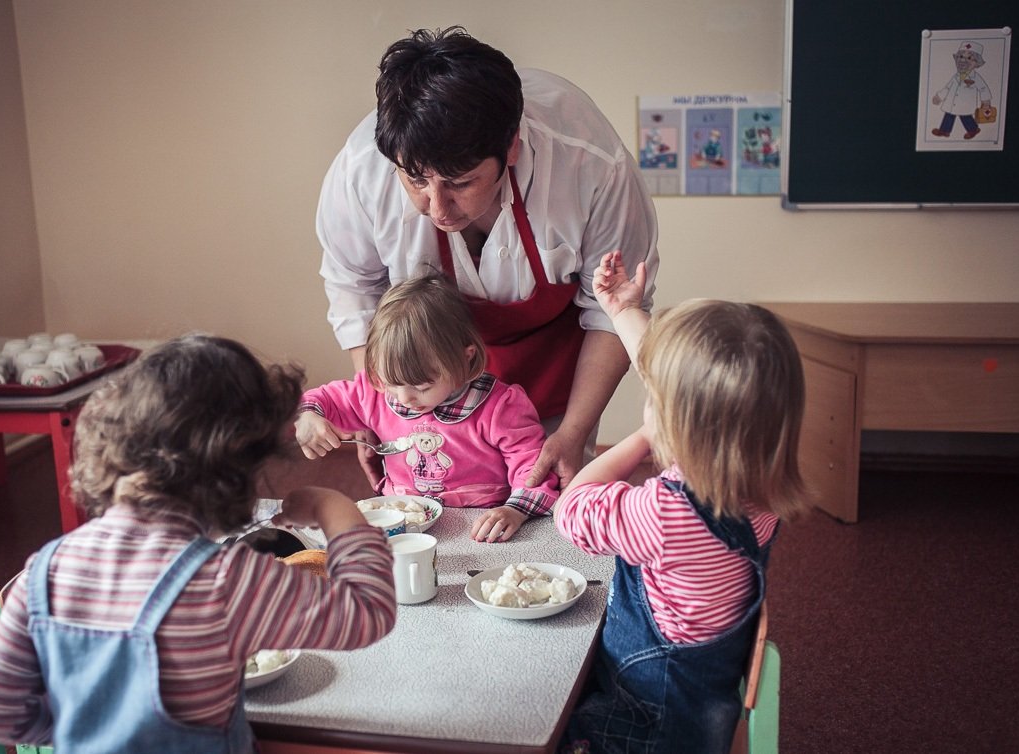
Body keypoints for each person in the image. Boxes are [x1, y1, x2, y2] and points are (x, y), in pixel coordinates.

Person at [0, 334, 397, 752]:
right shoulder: (228, 581)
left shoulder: (44, 571)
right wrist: (333, 507)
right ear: (241, 466)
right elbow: (369, 612)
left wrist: (91, 730)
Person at [316, 26, 660, 493]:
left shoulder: (591, 163)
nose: (437, 209)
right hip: (426, 364)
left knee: (543, 497)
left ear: (511, 146)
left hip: (556, 363)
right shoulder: (361, 172)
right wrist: (381, 409)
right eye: (416, 180)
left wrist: (574, 433)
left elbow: (610, 311)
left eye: (460, 182)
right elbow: (355, 291)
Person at [554, 252, 809, 753]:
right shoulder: (761, 487)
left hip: (645, 723)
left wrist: (639, 438)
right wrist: (623, 309)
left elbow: (573, 507)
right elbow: (679, 378)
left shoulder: (665, 515)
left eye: (656, 399)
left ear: (678, 422)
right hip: (704, 705)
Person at [295, 274, 558, 543]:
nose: (404, 397)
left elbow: (531, 465)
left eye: (421, 387)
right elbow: (323, 399)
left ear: (465, 358)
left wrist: (514, 510)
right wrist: (308, 416)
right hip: (401, 524)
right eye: (392, 383)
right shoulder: (375, 393)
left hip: (479, 526)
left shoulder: (500, 406)